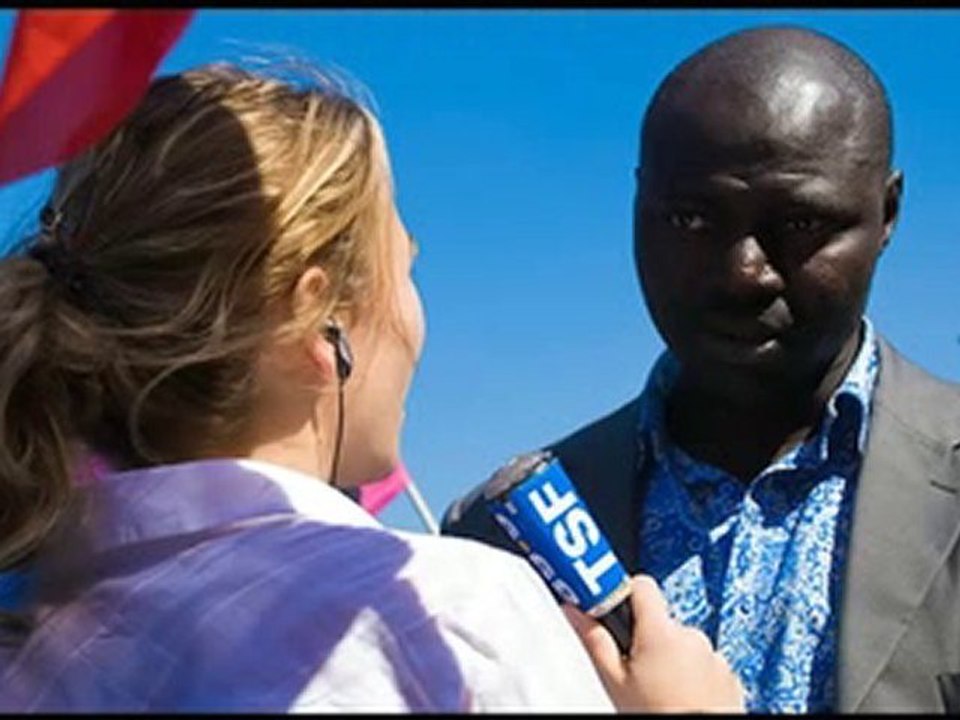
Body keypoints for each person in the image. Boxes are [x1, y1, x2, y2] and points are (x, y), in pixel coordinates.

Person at [0, 63, 744, 712]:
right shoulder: (440, 617)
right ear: (315, 317)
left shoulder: (24, 625)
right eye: (406, 266)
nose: (418, 318)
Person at [442, 25, 960, 714]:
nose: (743, 274)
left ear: (886, 213)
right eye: (689, 220)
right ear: (638, 207)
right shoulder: (497, 538)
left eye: (800, 225)